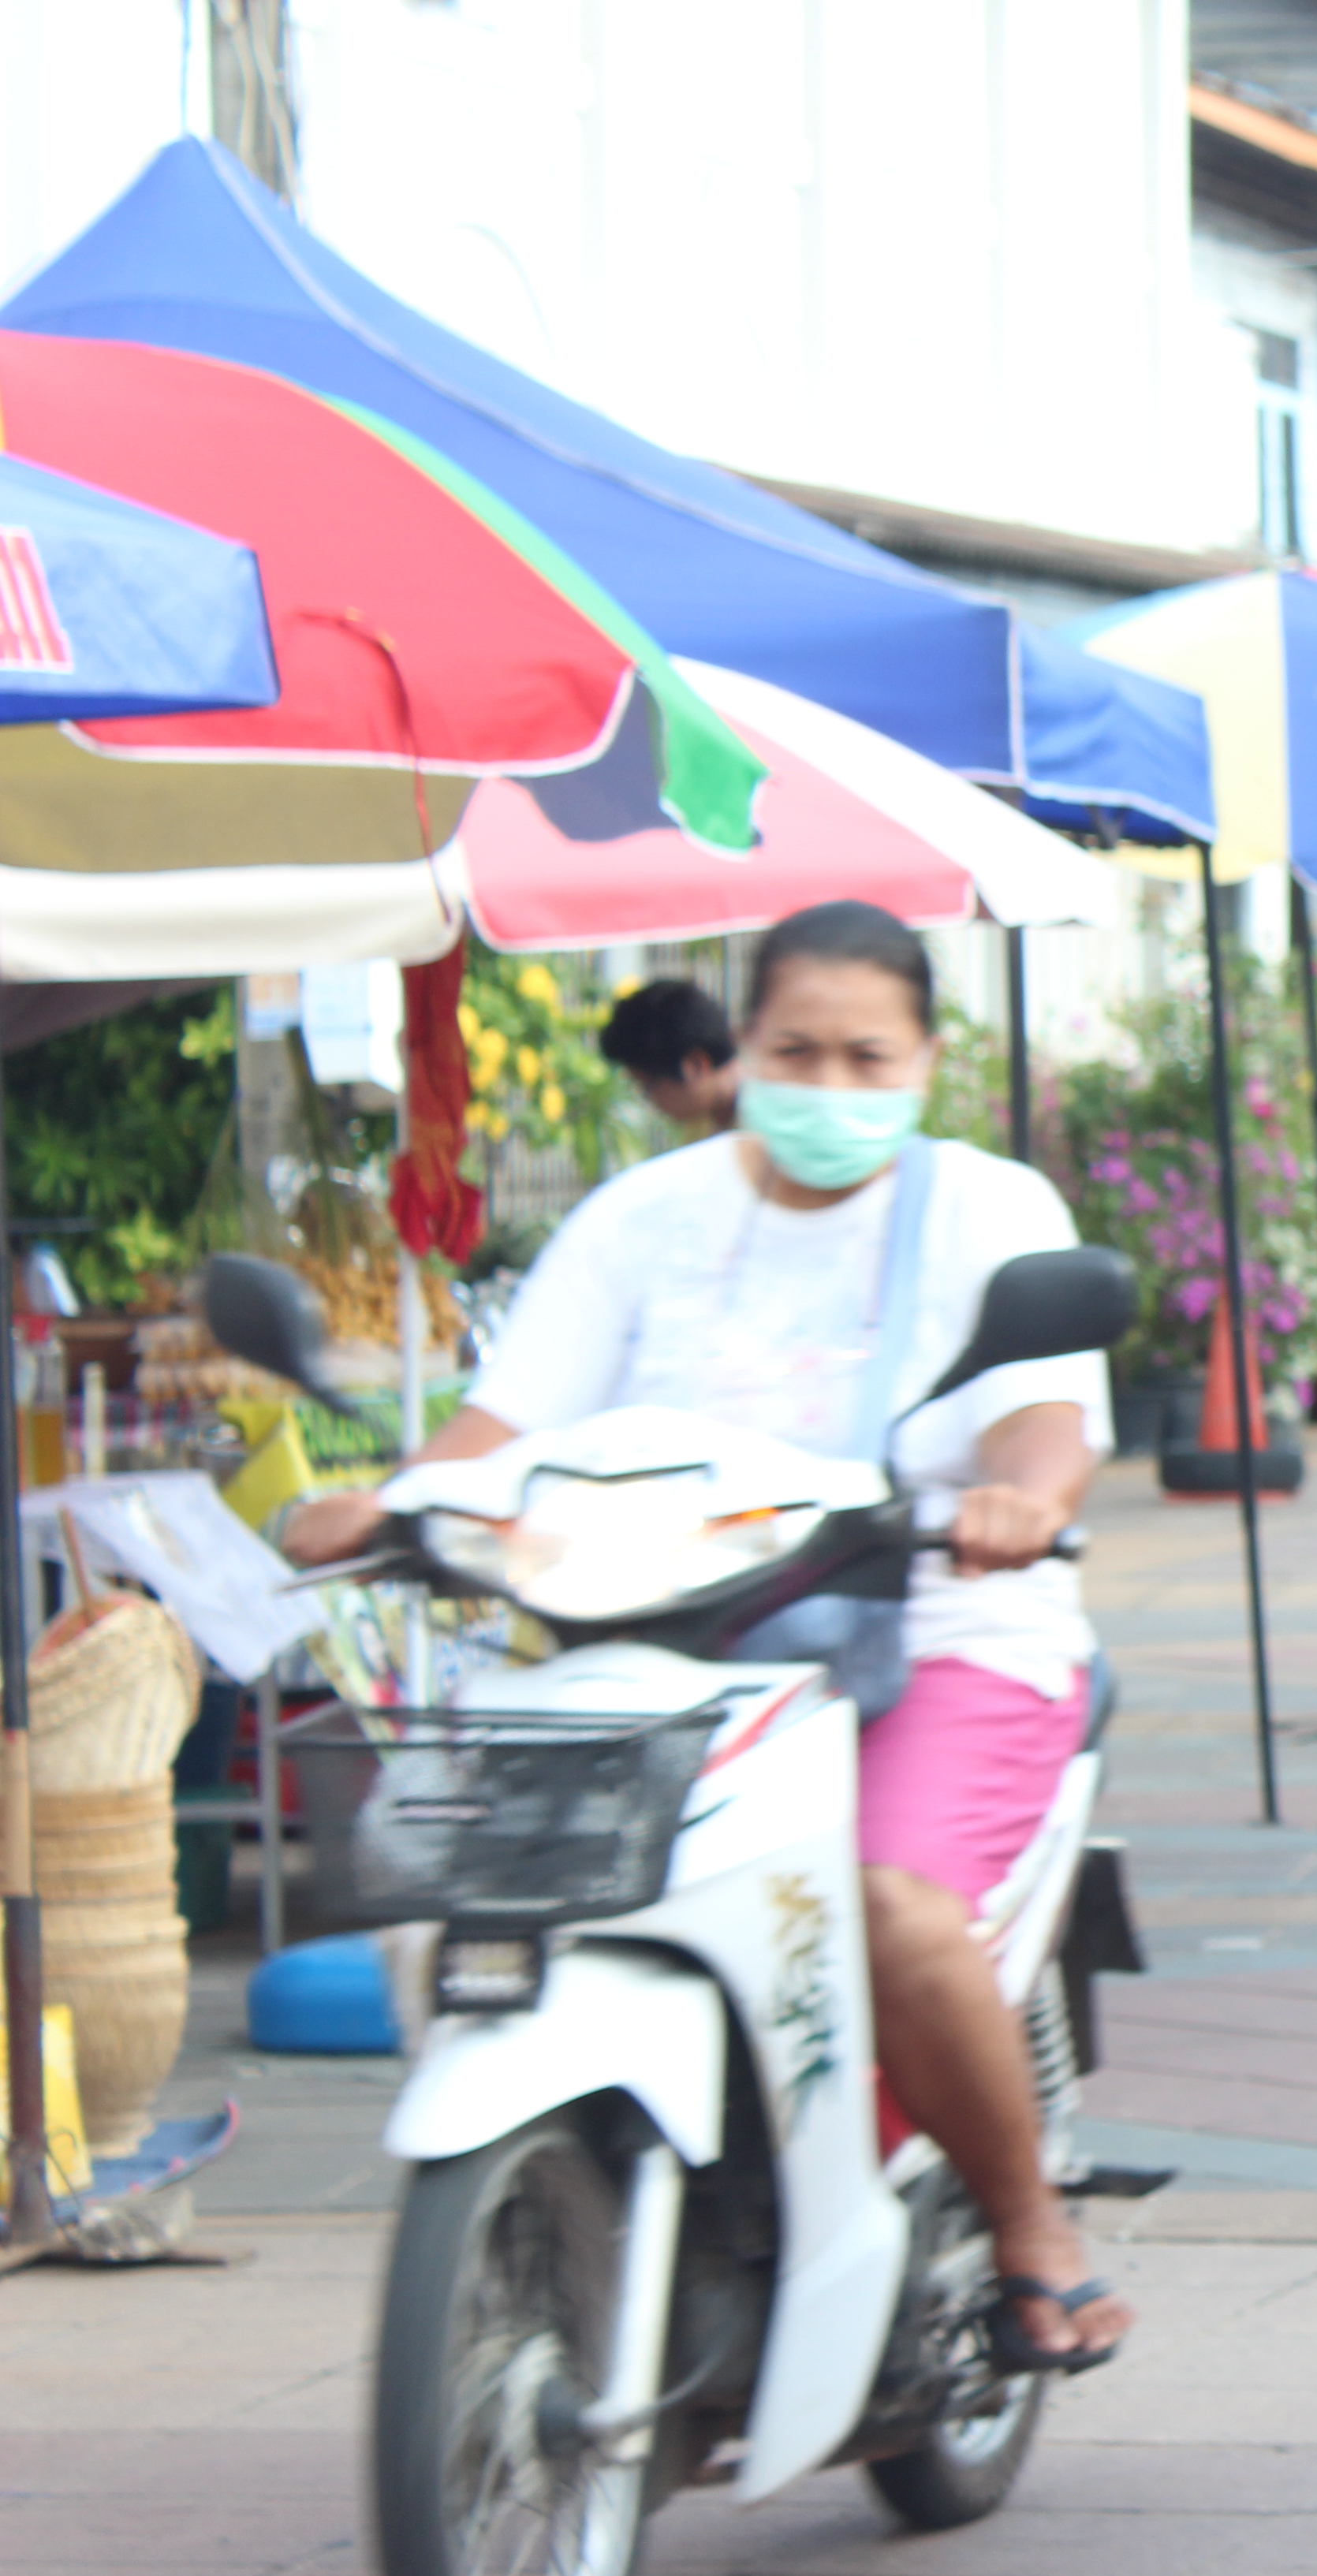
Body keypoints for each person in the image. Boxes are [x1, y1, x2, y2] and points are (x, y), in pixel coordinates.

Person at [285, 900, 1127, 2366]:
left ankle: (1029, 2228)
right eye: (797, 1048)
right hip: (663, 1646)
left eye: (869, 1055)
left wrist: (1015, 1501)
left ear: (927, 1057)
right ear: (740, 1049)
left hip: (940, 1628)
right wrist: (390, 1501)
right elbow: (501, 1427)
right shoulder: (646, 1218)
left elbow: (1048, 1426)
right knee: (468, 1876)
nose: (832, 1082)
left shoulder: (989, 1209)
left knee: (890, 1909)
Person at [598, 975, 743, 1135]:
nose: (650, 1102)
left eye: (648, 1087)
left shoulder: (766, 1127)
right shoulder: (708, 1123)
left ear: (696, 1065)